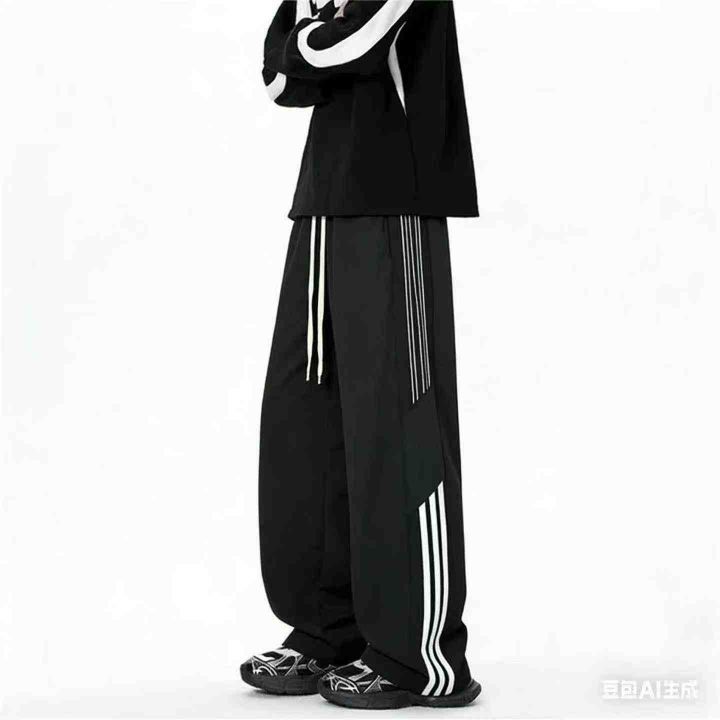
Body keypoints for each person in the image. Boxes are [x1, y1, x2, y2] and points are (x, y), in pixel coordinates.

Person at [240, 0, 481, 709]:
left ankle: (418, 656)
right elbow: (279, 80)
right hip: (321, 202)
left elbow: (351, 45)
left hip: (393, 197)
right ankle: (329, 629)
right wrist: (314, 40)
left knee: (399, 425)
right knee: (306, 422)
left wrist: (311, 40)